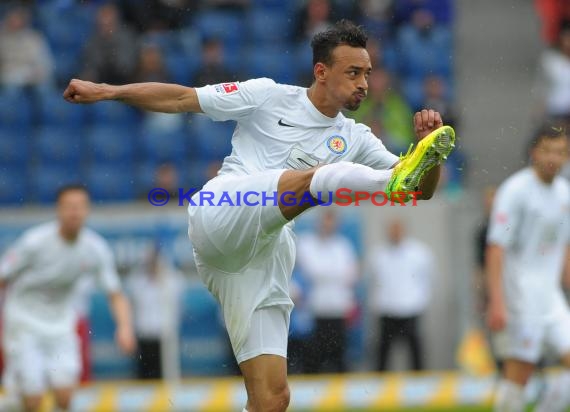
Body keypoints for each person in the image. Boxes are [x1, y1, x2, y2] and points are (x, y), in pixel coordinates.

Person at [63, 20, 456, 412]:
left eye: (367, 74)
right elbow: (182, 98)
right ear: (321, 71)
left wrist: (430, 155)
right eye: (353, 72)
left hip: (260, 256)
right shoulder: (269, 95)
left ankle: (402, 167)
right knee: (319, 179)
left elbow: (419, 190)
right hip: (224, 210)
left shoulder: (355, 137)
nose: (364, 84)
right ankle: (396, 170)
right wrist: (106, 90)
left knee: (272, 398)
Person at [0, 185, 136, 412]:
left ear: (87, 210)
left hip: (61, 324)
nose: (74, 212)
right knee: (33, 400)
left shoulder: (95, 248)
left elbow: (115, 293)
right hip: (24, 322)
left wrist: (124, 327)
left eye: (80, 207)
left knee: (65, 397)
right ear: (58, 210)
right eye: (69, 207)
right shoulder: (34, 242)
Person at [486, 123, 570, 412]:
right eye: (548, 150)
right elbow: (496, 247)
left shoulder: (564, 193)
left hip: (552, 298)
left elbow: (564, 245)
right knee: (519, 373)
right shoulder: (515, 190)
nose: (554, 158)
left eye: (561, 152)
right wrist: (497, 302)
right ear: (534, 151)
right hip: (520, 297)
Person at [295, 209, 358, 373]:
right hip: (315, 310)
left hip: (338, 309)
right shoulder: (306, 242)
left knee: (339, 357)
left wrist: (327, 274)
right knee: (313, 358)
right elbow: (311, 270)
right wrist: (335, 274)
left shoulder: (343, 245)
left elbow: (350, 275)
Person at [367, 217, 434, 371]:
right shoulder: (378, 254)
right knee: (383, 352)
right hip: (387, 308)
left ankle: (419, 383)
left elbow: (429, 278)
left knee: (415, 351)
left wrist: (421, 301)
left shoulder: (419, 253)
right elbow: (373, 281)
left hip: (411, 308)